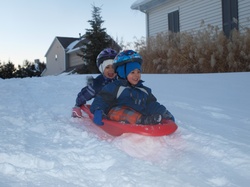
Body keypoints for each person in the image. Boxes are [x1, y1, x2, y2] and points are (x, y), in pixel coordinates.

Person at [90, 50, 175, 126]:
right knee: (119, 111)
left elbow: (152, 104)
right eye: (132, 72)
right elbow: (101, 99)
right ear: (122, 73)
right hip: (117, 115)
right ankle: (143, 120)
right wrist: (98, 110)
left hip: (139, 115)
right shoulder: (114, 87)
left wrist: (164, 113)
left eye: (138, 72)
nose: (136, 75)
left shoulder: (144, 90)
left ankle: (148, 120)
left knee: (147, 109)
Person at [71, 48, 118, 118]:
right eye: (107, 67)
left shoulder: (120, 80)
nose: (111, 70)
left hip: (119, 107)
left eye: (113, 67)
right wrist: (77, 105)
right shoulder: (97, 84)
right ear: (102, 68)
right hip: (103, 109)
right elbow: (84, 95)